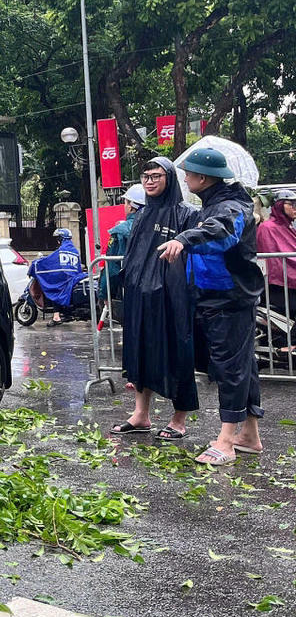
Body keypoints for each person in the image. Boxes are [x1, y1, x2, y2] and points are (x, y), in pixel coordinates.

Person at [158, 146, 264, 466]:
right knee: (241, 366)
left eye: (189, 173)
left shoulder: (230, 207)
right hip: (216, 298)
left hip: (229, 299)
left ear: (203, 178)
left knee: (230, 368)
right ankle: (249, 436)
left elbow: (221, 233)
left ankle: (226, 440)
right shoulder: (213, 204)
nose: (186, 178)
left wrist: (185, 239)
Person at [110, 158, 199, 439]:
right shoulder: (143, 214)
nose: (149, 181)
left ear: (169, 178)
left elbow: (193, 254)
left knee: (177, 352)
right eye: (145, 176)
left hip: (173, 298)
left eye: (156, 176)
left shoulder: (187, 214)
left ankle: (179, 419)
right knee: (140, 350)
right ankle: (141, 414)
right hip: (139, 295)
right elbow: (135, 254)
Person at [96, 184, 146, 308]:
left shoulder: (120, 231)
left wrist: (105, 293)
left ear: (131, 206)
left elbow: (112, 268)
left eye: (125, 202)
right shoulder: (157, 226)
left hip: (129, 289)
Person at [256, 189, 296, 327]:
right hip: (278, 286)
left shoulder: (288, 226)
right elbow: (275, 262)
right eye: (291, 204)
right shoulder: (267, 228)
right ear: (279, 205)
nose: (294, 208)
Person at [29, 228, 87, 325]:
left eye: (58, 239)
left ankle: (56, 317)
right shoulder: (74, 251)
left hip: (65, 279)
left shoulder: (62, 251)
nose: (57, 241)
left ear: (61, 239)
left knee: (53, 288)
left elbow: (50, 261)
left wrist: (38, 263)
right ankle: (65, 313)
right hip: (73, 277)